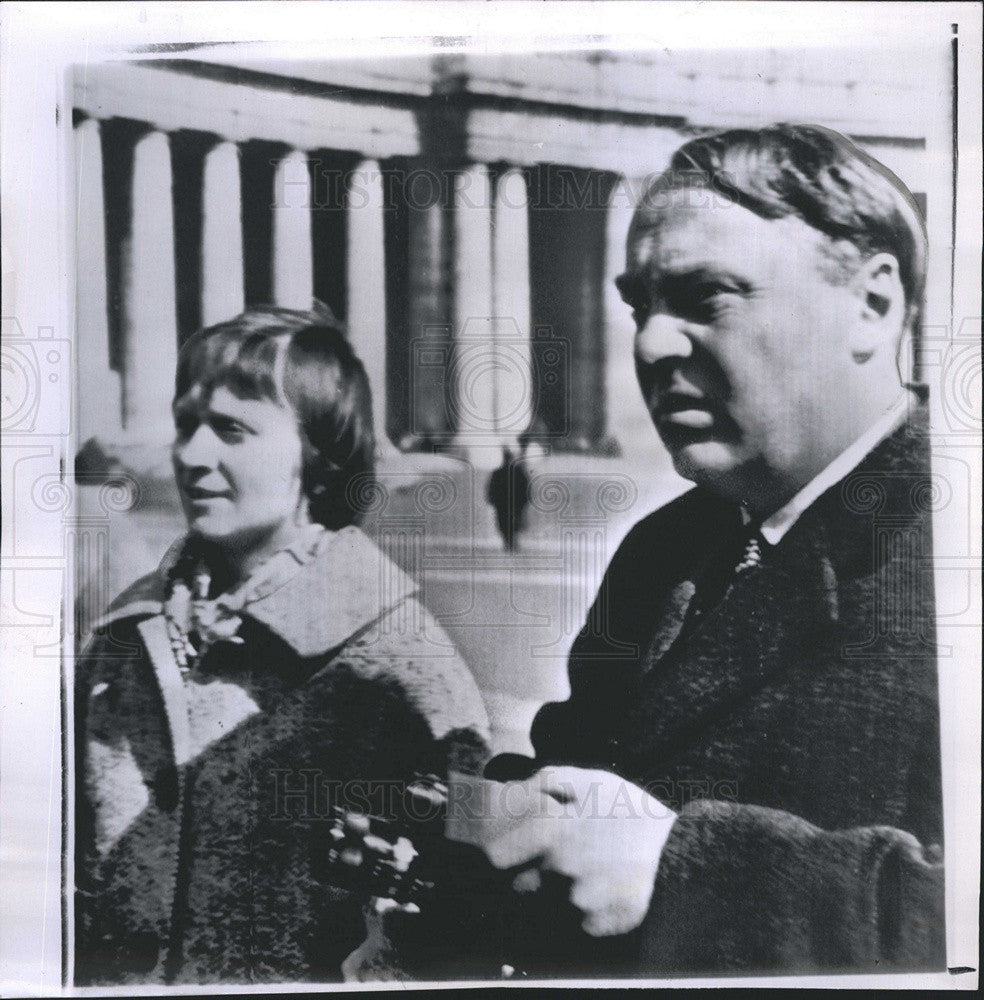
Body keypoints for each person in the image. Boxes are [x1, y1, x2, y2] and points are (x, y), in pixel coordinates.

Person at [477, 125, 945, 975]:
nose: (651, 345)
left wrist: (685, 873)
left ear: (873, 305)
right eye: (640, 306)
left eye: (708, 297)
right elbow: (580, 781)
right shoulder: (662, 549)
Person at [74, 306, 490, 985]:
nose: (192, 454)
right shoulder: (122, 640)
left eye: (232, 430)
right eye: (187, 424)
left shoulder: (400, 666)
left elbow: (460, 925)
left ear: (319, 458)